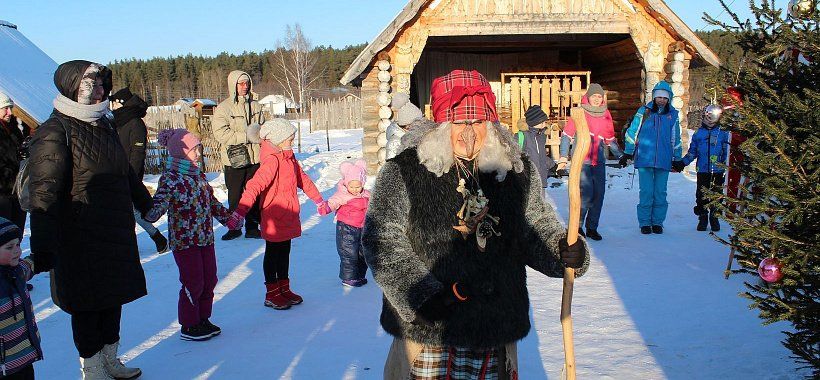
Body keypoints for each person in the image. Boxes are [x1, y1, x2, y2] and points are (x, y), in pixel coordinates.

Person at [362, 69, 589, 379]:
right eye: (459, 123)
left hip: (494, 327)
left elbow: (534, 225)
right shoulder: (404, 171)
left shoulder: (515, 172)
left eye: (477, 123)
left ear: (491, 124)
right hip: (431, 331)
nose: (468, 135)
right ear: (442, 124)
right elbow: (381, 238)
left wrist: (561, 250)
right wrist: (419, 295)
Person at [26, 60, 149, 379]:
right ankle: (92, 368)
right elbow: (44, 191)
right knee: (87, 305)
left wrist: (145, 203)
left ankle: (110, 358)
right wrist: (43, 245)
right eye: (90, 86)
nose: (99, 92)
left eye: (100, 85)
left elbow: (123, 170)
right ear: (71, 88)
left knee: (113, 299)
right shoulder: (55, 130)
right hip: (79, 236)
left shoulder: (104, 123)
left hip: (114, 230)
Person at [225, 119, 326, 310]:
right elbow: (254, 186)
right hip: (273, 215)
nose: (293, 140)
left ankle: (284, 288)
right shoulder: (272, 160)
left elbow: (302, 179)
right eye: (290, 138)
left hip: (288, 212)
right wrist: (240, 211)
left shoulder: (288, 157)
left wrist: (319, 200)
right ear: (278, 139)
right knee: (273, 253)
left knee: (284, 252)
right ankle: (271, 293)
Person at [143, 129, 231, 341]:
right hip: (185, 241)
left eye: (198, 149)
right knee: (194, 282)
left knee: (210, 279)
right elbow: (159, 205)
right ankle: (189, 325)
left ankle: (203, 319)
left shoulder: (198, 176)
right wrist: (148, 210)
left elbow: (212, 202)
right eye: (193, 150)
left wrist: (229, 219)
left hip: (205, 238)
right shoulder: (170, 178)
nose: (198, 154)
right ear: (180, 152)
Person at [559, 84, 624, 241]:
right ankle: (577, 226)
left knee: (599, 195)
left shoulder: (605, 114)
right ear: (588, 97)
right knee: (585, 195)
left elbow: (609, 138)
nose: (596, 99)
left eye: (599, 97)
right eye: (594, 96)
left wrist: (620, 155)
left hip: (598, 160)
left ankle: (592, 227)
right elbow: (567, 135)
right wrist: (563, 156)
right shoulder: (579, 112)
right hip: (582, 160)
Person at [110, 87, 169, 253]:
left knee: (131, 210)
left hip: (129, 175)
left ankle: (158, 238)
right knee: (127, 210)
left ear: (121, 103)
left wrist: (132, 178)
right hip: (118, 173)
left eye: (114, 102)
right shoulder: (120, 121)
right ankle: (155, 238)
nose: (112, 106)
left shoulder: (135, 123)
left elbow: (138, 153)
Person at [621, 81, 684, 234]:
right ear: (654, 97)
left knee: (660, 192)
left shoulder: (672, 115)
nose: (661, 100)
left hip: (664, 159)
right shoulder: (644, 111)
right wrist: (628, 152)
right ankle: (644, 223)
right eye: (659, 97)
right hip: (645, 159)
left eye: (664, 97)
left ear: (669, 99)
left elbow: (675, 138)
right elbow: (632, 132)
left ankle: (657, 222)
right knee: (647, 192)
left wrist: (677, 158)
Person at [213, 70, 264, 240]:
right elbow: (221, 133)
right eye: (241, 83)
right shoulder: (224, 108)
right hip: (234, 159)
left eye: (247, 82)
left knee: (255, 193)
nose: (245, 86)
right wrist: (246, 137)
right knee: (235, 195)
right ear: (233, 85)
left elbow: (264, 128)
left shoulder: (256, 105)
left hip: (255, 158)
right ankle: (234, 228)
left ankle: (252, 227)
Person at [674, 104, 729, 232]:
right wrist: (683, 163)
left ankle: (714, 217)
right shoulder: (699, 133)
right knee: (702, 194)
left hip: (718, 170)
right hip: (703, 170)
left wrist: (727, 164)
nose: (711, 120)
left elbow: (727, 151)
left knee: (716, 194)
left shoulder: (723, 133)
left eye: (714, 116)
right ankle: (703, 217)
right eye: (709, 116)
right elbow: (693, 152)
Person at [318, 159, 371, 287]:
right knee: (349, 252)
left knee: (362, 252)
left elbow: (375, 206)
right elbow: (333, 202)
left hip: (362, 228)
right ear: (346, 184)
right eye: (351, 186)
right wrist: (326, 207)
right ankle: (348, 278)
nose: (355, 190)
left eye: (358, 186)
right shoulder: (342, 194)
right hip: (346, 228)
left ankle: (358, 275)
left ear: (363, 183)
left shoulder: (367, 194)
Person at [0, 217, 42, 380]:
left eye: (18, 244)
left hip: (24, 355)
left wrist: (39, 258)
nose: (17, 250)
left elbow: (27, 267)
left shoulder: (16, 272)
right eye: (9, 247)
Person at [0, 93, 27, 230]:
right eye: (5, 108)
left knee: (16, 232)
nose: (9, 112)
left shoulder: (15, 128)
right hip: (2, 192)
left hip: (17, 190)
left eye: (10, 107)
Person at [517, 105, 557, 189]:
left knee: (540, 201)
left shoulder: (541, 136)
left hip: (541, 179)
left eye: (544, 122)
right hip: (528, 179)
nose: (544, 124)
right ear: (533, 123)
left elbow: (541, 156)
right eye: (542, 122)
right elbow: (514, 155)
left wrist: (552, 165)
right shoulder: (522, 136)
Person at [385, 93, 424, 160]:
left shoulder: (413, 136)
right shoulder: (395, 142)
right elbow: (392, 167)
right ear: (408, 125)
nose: (420, 125)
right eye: (417, 123)